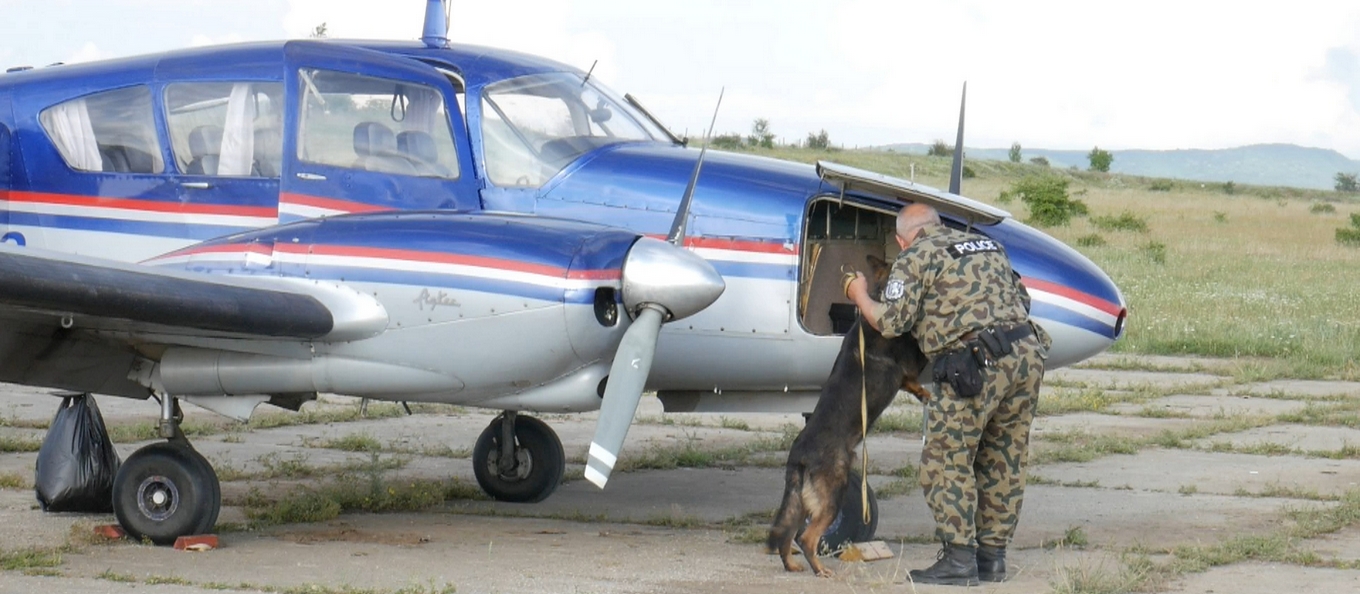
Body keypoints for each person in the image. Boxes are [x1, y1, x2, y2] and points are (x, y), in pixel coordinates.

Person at [845, 203, 1049, 586]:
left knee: (945, 459)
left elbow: (891, 321)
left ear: (901, 240)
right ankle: (992, 559)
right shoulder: (987, 246)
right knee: (1003, 457)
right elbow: (1022, 301)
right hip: (1026, 353)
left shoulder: (914, 256)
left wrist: (858, 294)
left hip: (975, 364)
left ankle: (958, 560)